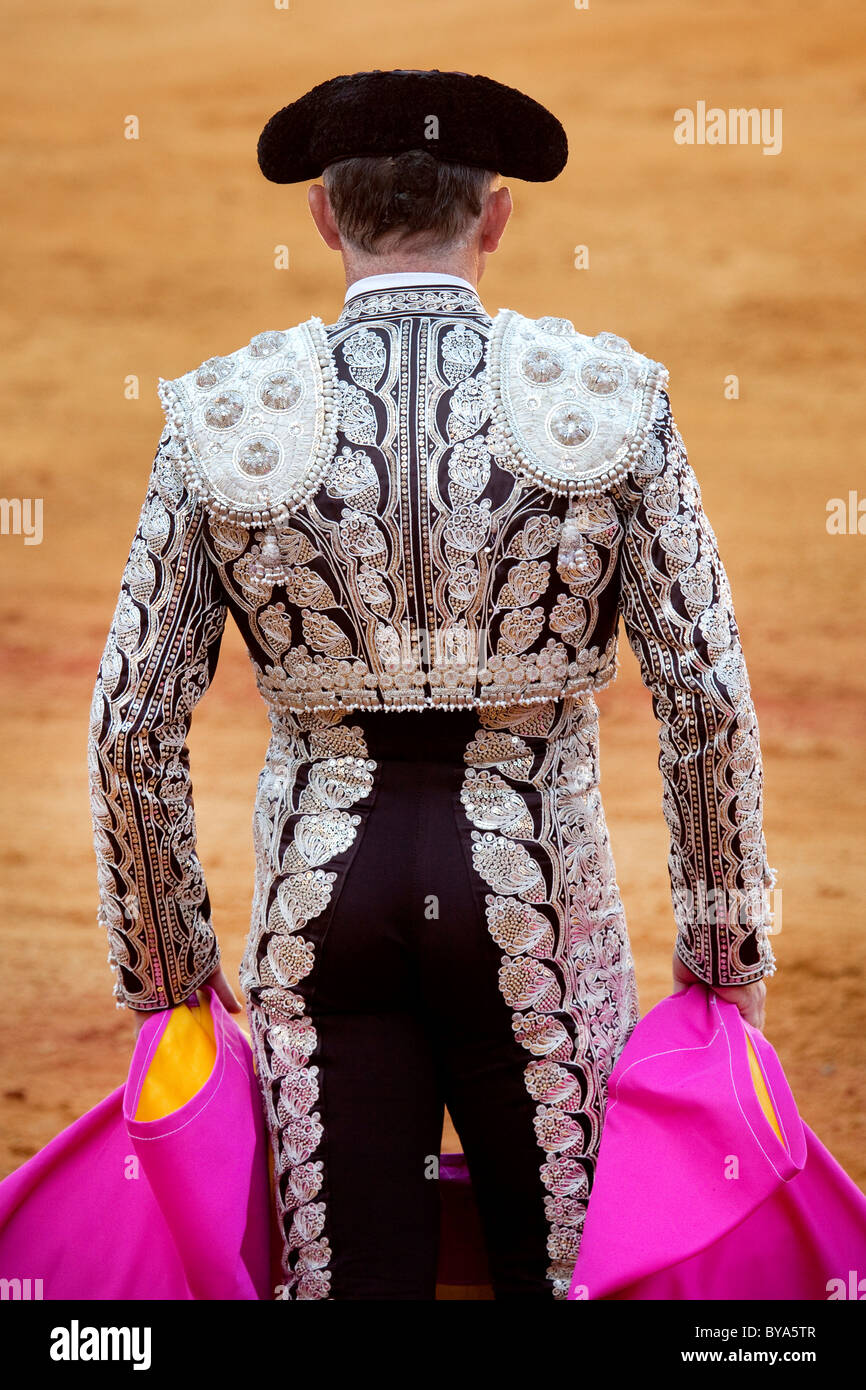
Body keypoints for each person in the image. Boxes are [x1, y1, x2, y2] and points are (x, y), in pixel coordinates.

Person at [87, 69, 777, 1301]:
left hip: (319, 904)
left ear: (323, 217)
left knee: (354, 1280)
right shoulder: (608, 403)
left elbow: (132, 720)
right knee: (561, 1272)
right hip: (536, 898)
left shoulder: (221, 414)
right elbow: (704, 698)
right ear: (495, 215)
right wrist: (723, 952)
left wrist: (168, 967)